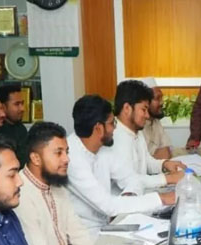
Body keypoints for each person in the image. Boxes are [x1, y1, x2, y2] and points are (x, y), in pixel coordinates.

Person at [66, 95, 175, 234]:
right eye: (112, 123)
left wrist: (129, 195)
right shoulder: (72, 158)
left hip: (110, 223)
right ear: (98, 128)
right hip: (86, 233)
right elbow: (109, 206)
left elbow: (132, 178)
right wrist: (161, 199)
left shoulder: (102, 147)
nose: (114, 129)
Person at [15, 121, 95, 245]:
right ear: (36, 158)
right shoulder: (21, 193)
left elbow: (78, 233)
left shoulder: (55, 183)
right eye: (58, 153)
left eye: (66, 152)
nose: (66, 159)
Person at [111, 80, 185, 192]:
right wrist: (167, 179)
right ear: (127, 108)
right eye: (143, 109)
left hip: (142, 195)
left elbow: (147, 161)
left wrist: (164, 164)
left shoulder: (136, 130)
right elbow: (128, 181)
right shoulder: (115, 136)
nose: (147, 115)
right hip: (124, 199)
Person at [0, 84, 30, 168]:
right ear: (3, 107)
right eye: (17, 104)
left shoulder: (21, 128)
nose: (22, 109)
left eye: (22, 103)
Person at [141, 77, 175, 160]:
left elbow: (168, 149)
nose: (162, 102)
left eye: (161, 98)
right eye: (157, 98)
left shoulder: (155, 121)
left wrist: (160, 153)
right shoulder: (138, 126)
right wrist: (157, 154)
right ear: (145, 102)